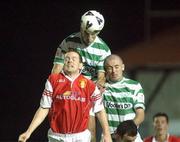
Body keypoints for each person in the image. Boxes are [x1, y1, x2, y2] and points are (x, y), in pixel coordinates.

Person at [18, 51, 112, 142]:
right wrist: (28, 132)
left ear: (80, 65)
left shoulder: (90, 85)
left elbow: (100, 110)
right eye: (67, 59)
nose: (70, 61)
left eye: (73, 59)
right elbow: (44, 108)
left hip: (80, 137)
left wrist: (107, 134)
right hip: (56, 136)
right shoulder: (53, 80)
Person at [51, 10, 111, 141]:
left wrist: (92, 91)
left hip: (87, 93)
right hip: (66, 90)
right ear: (81, 27)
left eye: (94, 34)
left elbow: (101, 78)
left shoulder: (103, 50)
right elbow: (56, 70)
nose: (89, 38)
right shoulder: (68, 42)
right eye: (86, 33)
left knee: (90, 133)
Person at [102, 54, 145, 142]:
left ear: (123, 67)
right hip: (109, 137)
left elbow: (140, 115)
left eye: (116, 67)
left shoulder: (134, 86)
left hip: (131, 137)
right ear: (105, 70)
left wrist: (125, 131)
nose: (114, 71)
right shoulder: (101, 87)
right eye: (110, 68)